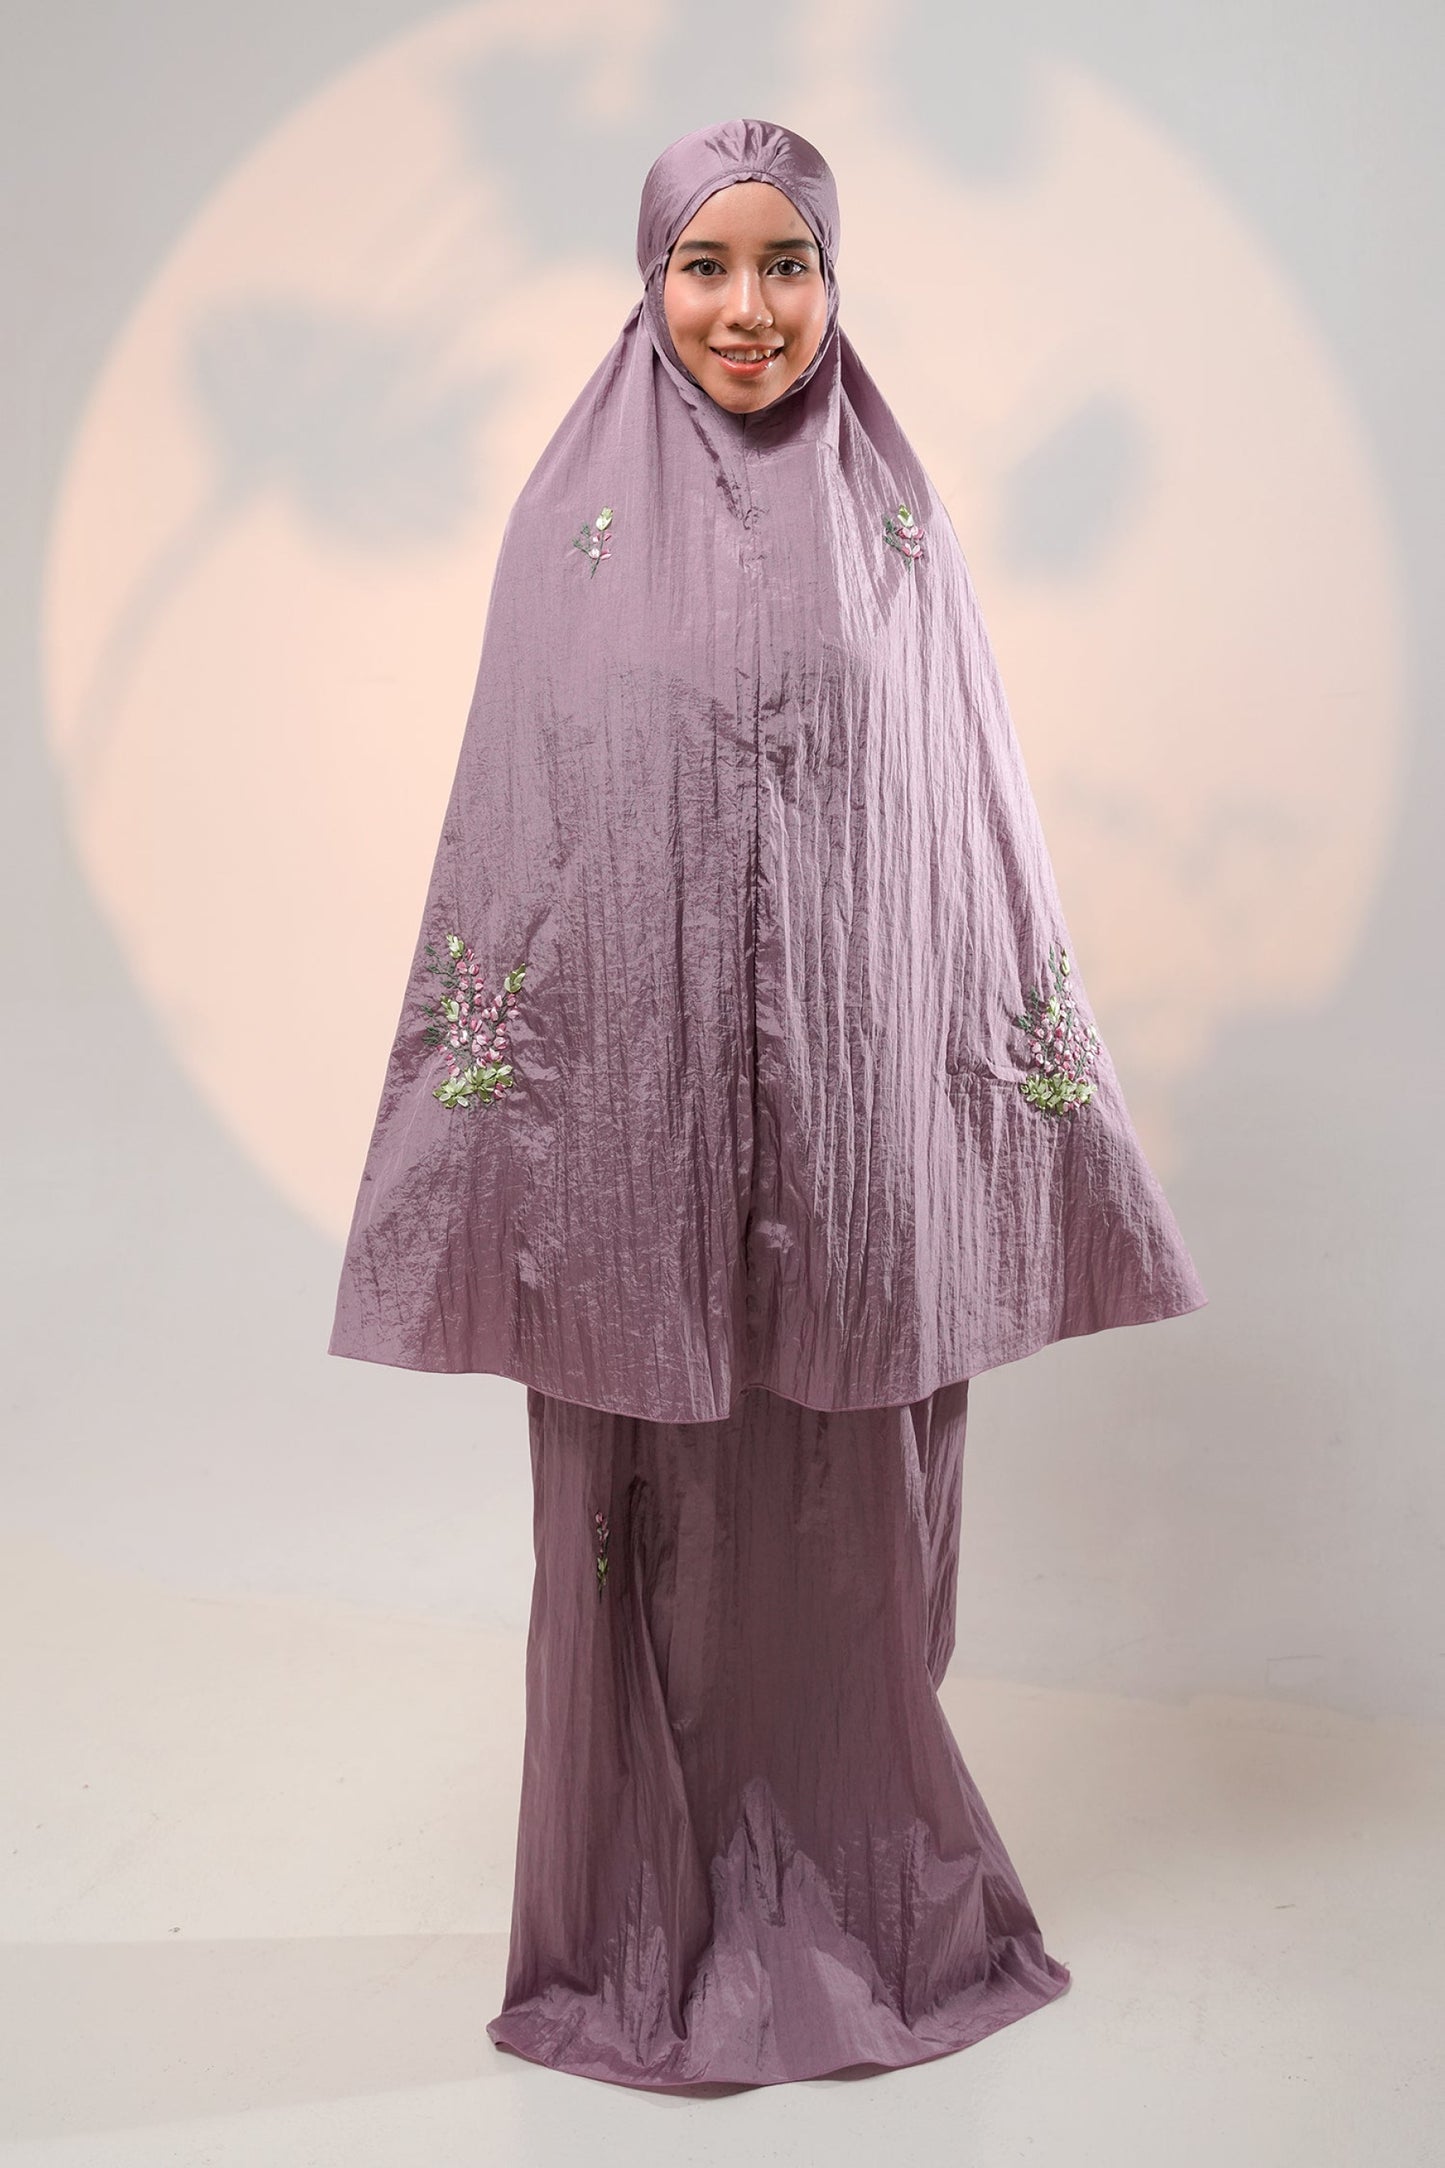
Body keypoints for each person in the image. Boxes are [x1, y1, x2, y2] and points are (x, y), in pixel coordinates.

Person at [327, 117, 1206, 2089]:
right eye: (706, 264)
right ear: (648, 279)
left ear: (831, 279)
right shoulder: (568, 531)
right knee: (639, 1519)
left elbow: (959, 847)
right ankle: (639, 1933)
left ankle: (867, 1902)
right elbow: (518, 842)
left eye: (786, 262)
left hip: (854, 1143)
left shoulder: (897, 534)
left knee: (848, 1513)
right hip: (635, 1147)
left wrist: (960, 1124)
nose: (747, 307)